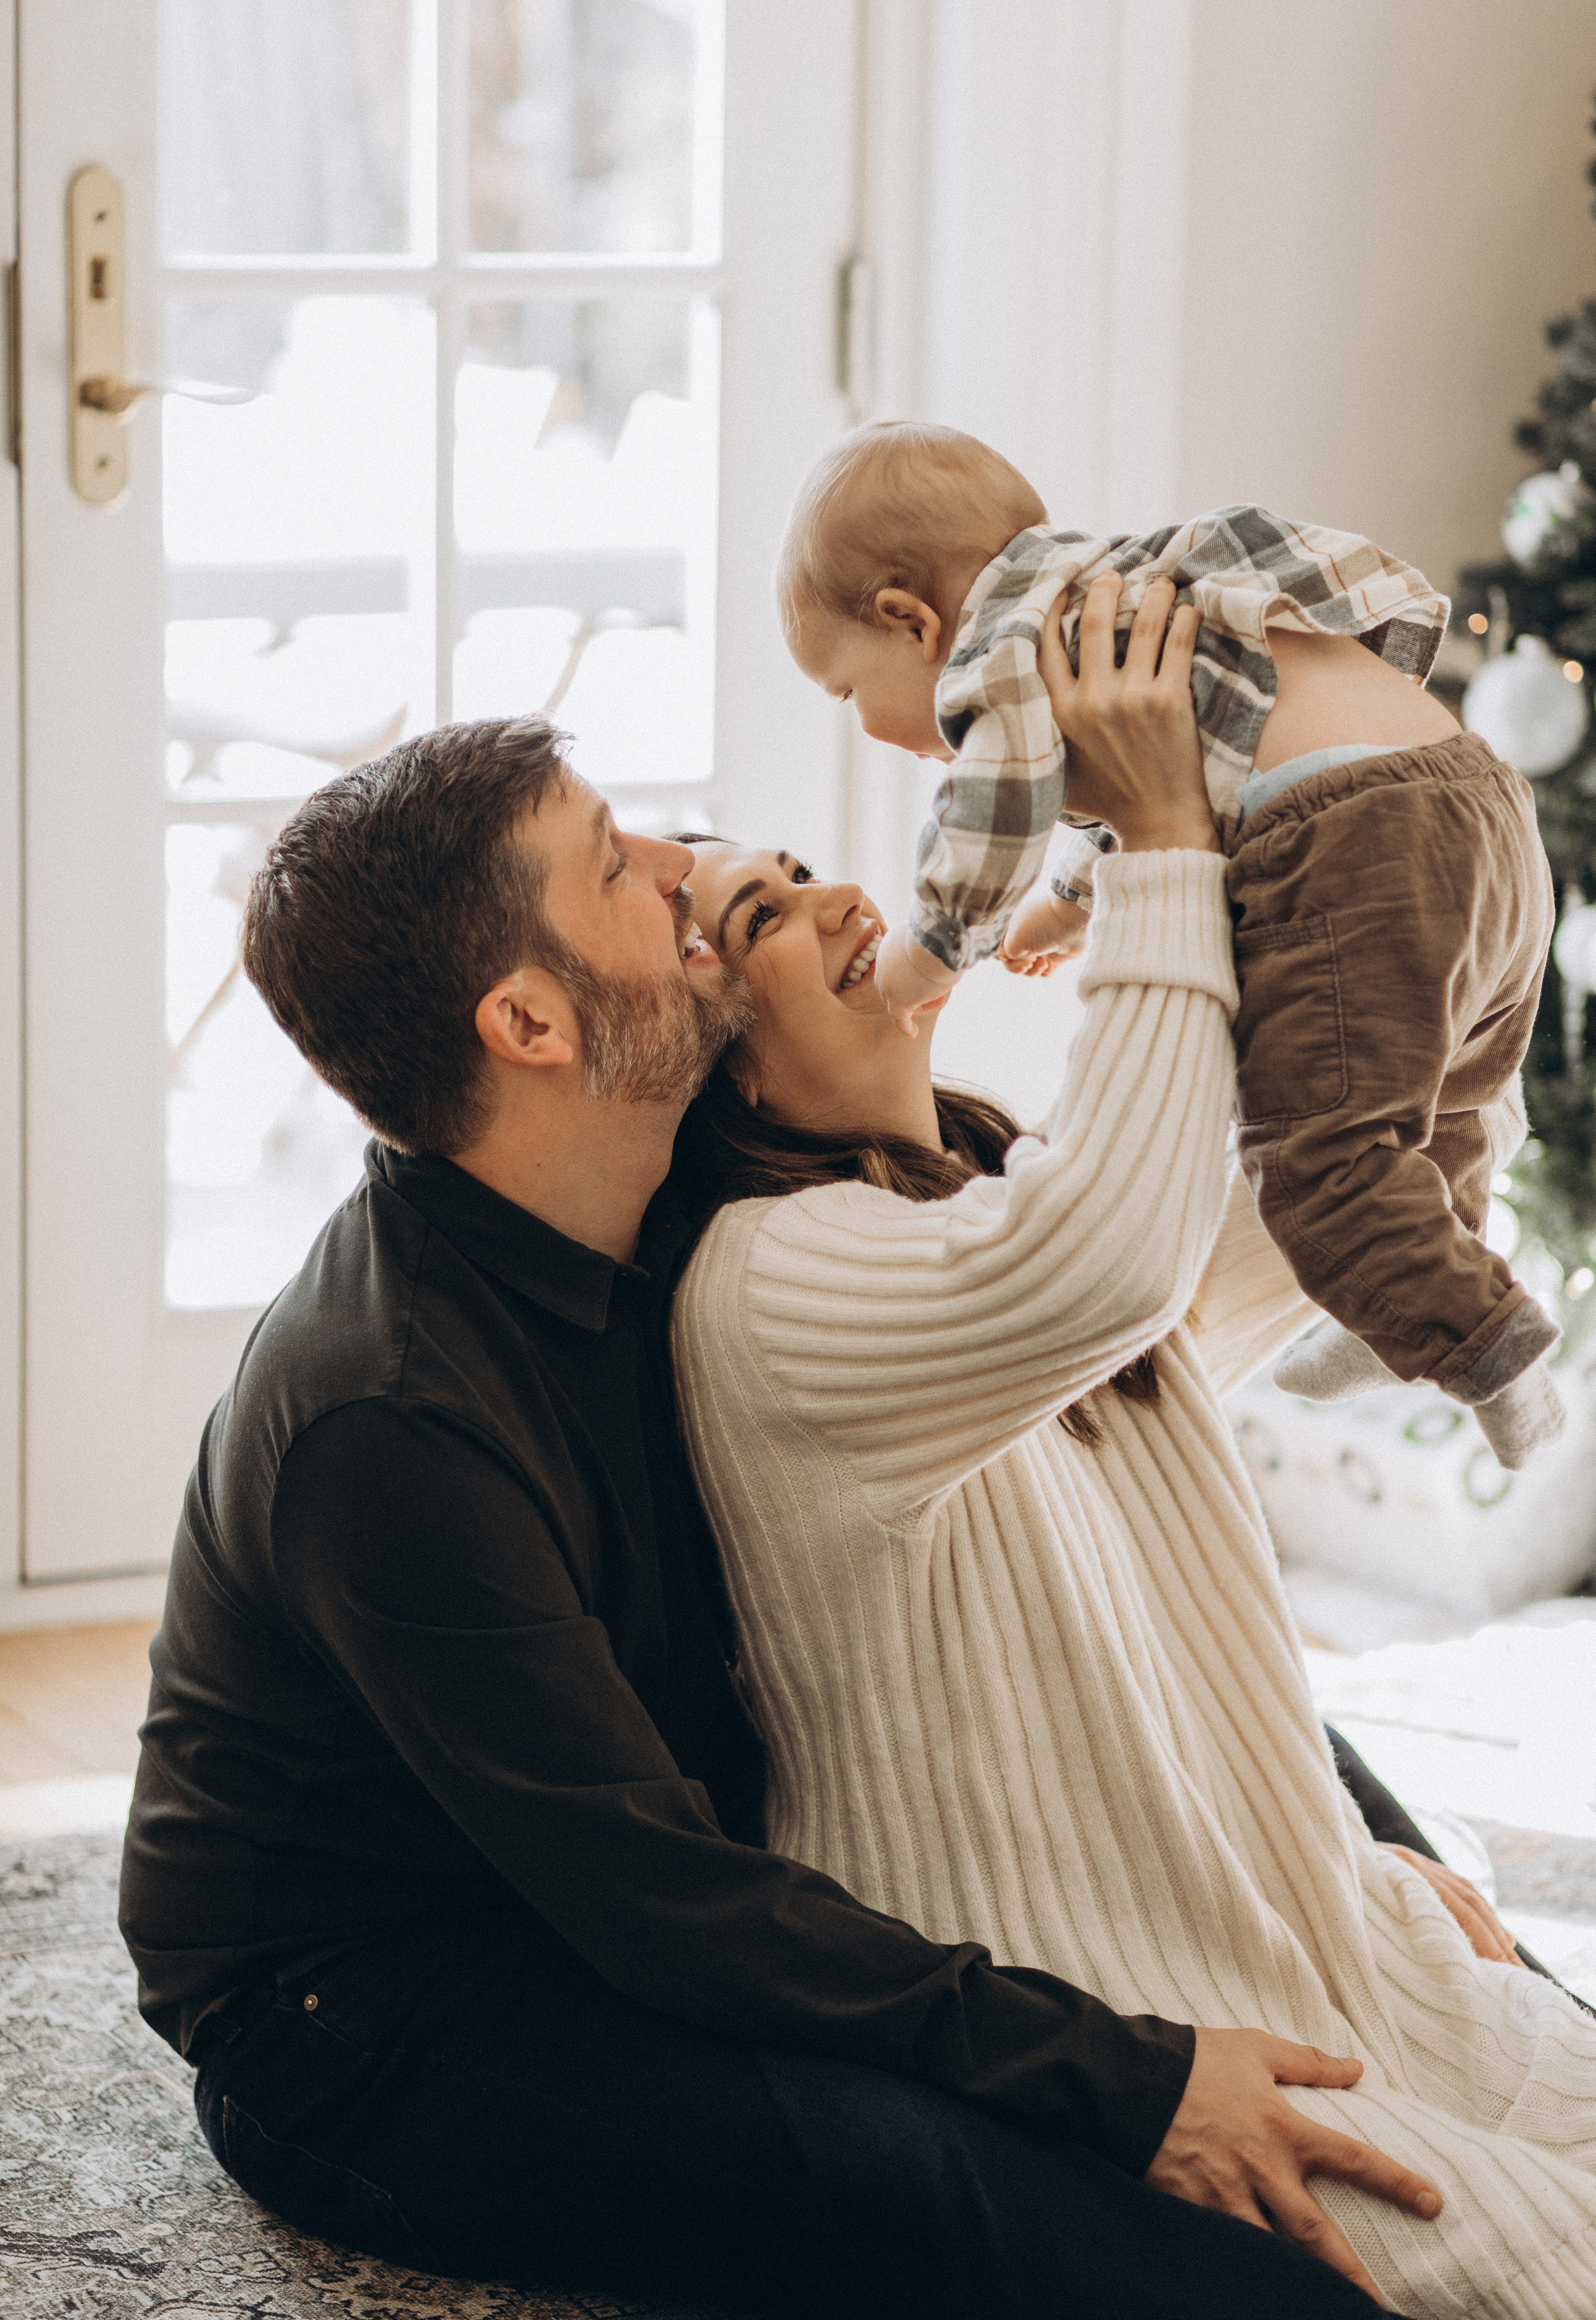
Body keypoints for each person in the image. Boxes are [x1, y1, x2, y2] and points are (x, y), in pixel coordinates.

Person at [119, 707, 1443, 2320]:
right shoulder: (388, 1416)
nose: (681, 876)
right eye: (619, 864)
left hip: (661, 1861)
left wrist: (1371, 1855)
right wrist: (1129, 2078)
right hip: (387, 1994)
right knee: (1021, 2203)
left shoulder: (685, 1195)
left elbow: (1124, 1566)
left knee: (1424, 2023)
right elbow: (654, 1901)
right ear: (529, 1019)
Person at [668, 575, 1596, 2320]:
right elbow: (1117, 1251)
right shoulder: (766, 1285)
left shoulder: (986, 1205)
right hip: (1119, 2030)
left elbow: (1366, 1180)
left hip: (1311, 1939)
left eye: (795, 866)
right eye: (761, 918)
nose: (846, 896)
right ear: (724, 1071)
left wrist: (1407, 818)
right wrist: (1161, 837)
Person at [776, 421, 1560, 1469]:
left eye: (846, 691)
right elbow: (1188, 757)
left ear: (910, 621)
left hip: (1354, 845)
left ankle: (1490, 1353)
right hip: (1477, 793)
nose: (867, 721)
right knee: (1444, 1102)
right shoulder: (1116, 590)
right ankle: (1398, 1312)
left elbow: (990, 811)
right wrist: (1071, 901)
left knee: (1321, 1160)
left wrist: (926, 960)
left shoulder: (992, 655)